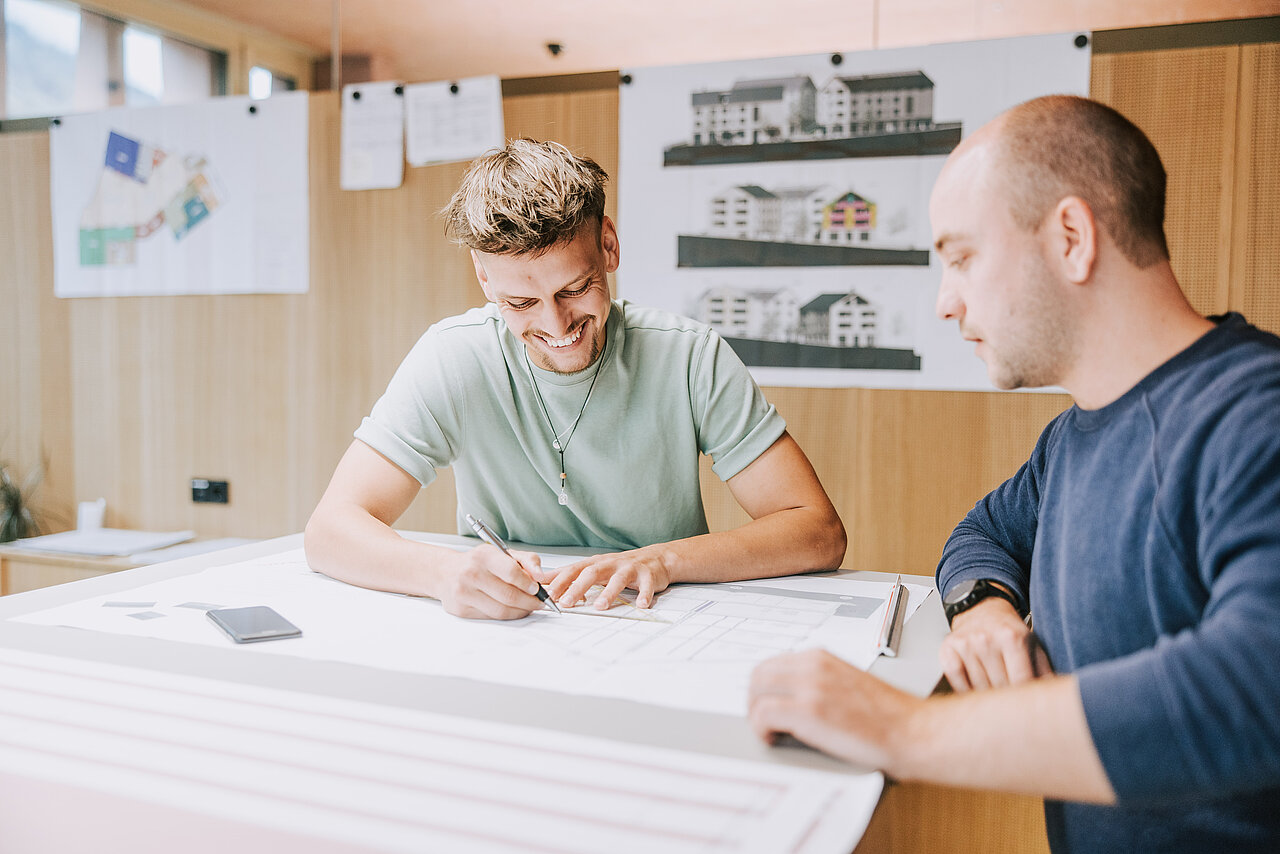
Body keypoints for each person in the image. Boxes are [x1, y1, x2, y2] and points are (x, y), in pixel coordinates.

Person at [747, 95, 1280, 852]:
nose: (944, 301)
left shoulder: (1254, 414)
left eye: (962, 258)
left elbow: (1256, 684)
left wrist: (904, 729)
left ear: (1070, 237)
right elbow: (981, 533)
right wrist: (985, 607)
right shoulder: (1071, 440)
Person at [305, 139, 846, 621]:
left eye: (575, 288)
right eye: (520, 303)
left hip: (658, 620)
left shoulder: (688, 357)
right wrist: (443, 574)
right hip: (511, 630)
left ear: (608, 246)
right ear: (483, 275)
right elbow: (330, 530)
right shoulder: (454, 357)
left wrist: (665, 558)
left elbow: (816, 531)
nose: (556, 324)